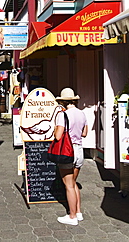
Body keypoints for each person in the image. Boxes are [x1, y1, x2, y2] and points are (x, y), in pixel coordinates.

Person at [54, 87, 88, 226]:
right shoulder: (82, 114)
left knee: (68, 185)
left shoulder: (63, 115)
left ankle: (72, 216)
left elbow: (58, 136)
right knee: (73, 183)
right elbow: (84, 133)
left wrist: (56, 127)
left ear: (62, 101)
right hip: (79, 150)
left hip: (67, 151)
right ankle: (78, 212)